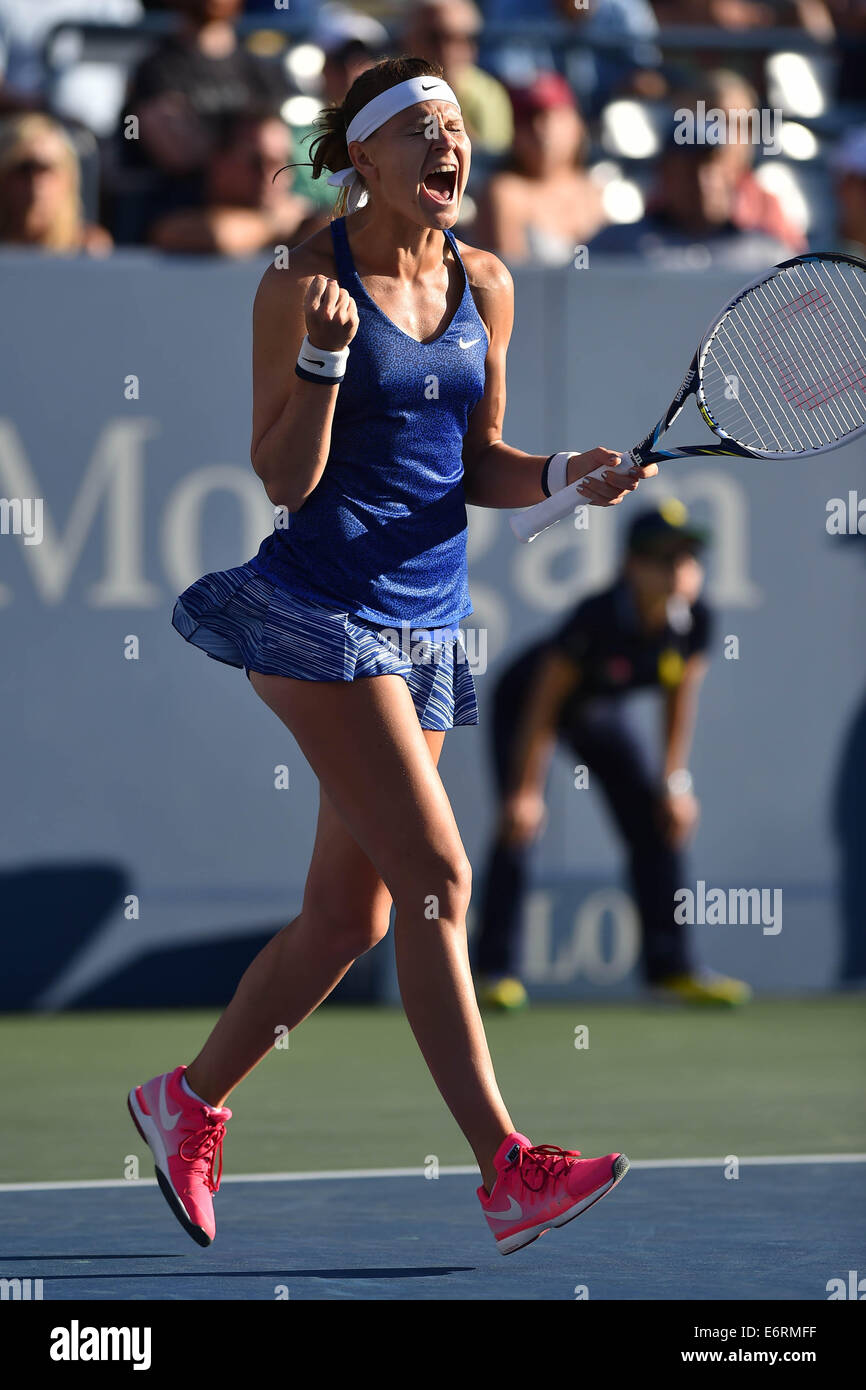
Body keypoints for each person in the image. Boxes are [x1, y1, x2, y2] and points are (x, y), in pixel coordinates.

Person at [127, 54, 658, 1258]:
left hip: (424, 629)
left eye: (457, 128)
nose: (449, 146)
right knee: (439, 877)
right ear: (360, 156)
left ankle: (186, 1101)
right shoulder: (296, 280)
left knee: (346, 921)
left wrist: (565, 477)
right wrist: (321, 363)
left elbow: (480, 465)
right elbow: (282, 478)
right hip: (316, 613)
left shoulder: (486, 282)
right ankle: (505, 1166)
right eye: (421, 129)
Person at [474, 501, 751, 1011]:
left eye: (688, 557)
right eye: (662, 557)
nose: (678, 569)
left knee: (657, 819)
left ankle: (671, 969)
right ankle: (493, 972)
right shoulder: (598, 615)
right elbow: (544, 702)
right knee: (518, 823)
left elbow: (678, 698)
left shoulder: (698, 619)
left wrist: (676, 783)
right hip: (527, 702)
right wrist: (527, 792)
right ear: (631, 565)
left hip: (598, 709)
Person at [588, 120, 794, 269]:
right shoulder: (615, 246)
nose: (701, 180)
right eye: (687, 169)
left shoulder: (770, 257)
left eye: (711, 166)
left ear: (733, 174)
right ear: (664, 174)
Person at [148, 106, 323, 255]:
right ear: (218, 161)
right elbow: (202, 235)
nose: (268, 175)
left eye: (278, 163)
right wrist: (275, 225)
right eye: (255, 162)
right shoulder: (177, 201)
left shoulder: (302, 214)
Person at [472, 71, 605, 266]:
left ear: (576, 125)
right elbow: (514, 281)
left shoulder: (594, 191)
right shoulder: (504, 193)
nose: (540, 129)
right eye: (528, 119)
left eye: (551, 116)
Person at [403, 0, 513, 156]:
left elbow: (489, 159)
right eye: (435, 37)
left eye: (462, 38)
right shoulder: (387, 88)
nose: (447, 49)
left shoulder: (488, 93)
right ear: (408, 39)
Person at [0, 111, 111, 252]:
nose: (35, 182)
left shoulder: (88, 250)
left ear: (69, 178)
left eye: (45, 168)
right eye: (24, 169)